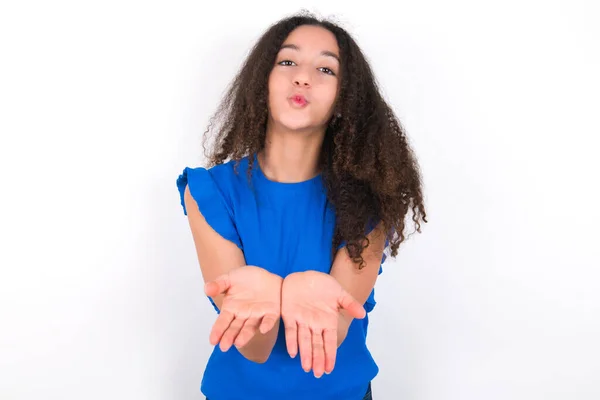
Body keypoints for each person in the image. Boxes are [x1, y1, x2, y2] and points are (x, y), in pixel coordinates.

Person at [176, 11, 427, 400]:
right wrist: (275, 296)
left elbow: (332, 334)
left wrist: (290, 291)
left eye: (326, 69)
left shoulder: (370, 199)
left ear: (344, 100)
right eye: (288, 61)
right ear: (263, 83)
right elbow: (254, 348)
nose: (303, 76)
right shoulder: (209, 191)